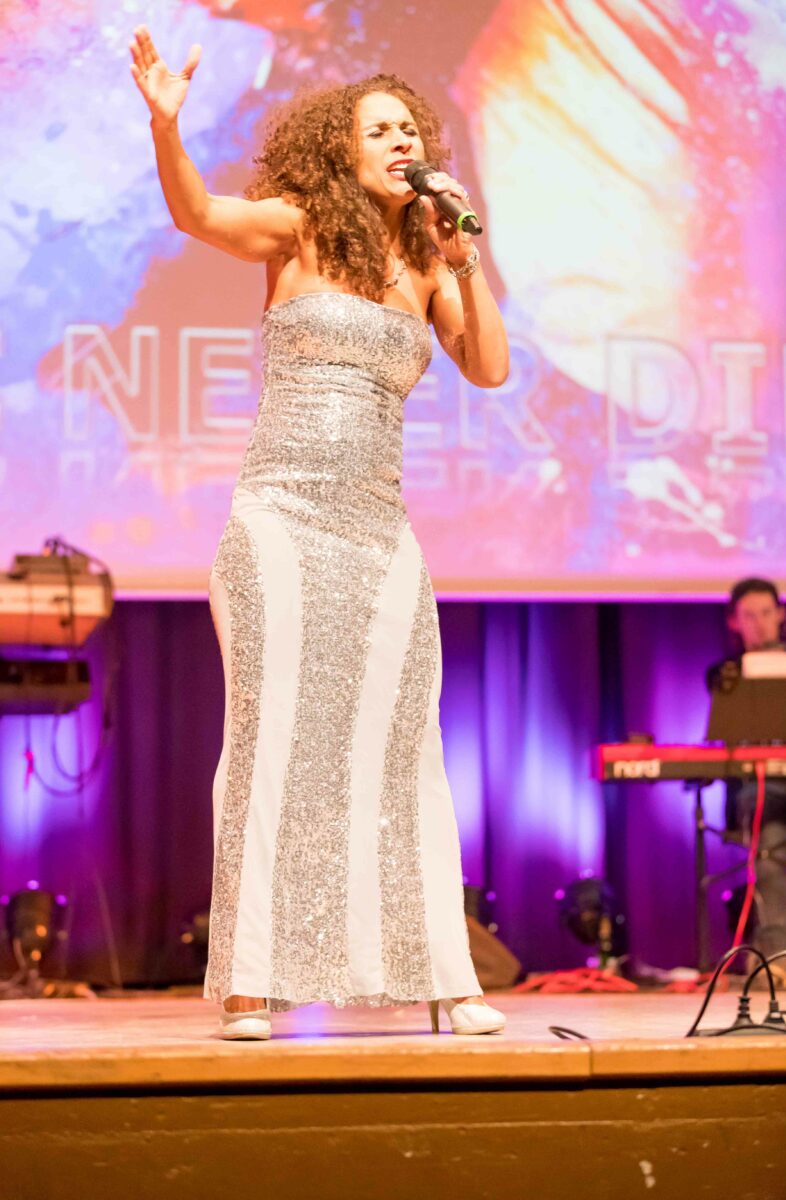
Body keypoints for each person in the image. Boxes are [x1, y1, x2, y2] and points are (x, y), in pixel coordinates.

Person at [129, 26, 509, 1038]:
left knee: (403, 743)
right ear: (340, 149)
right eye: (378, 129)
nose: (398, 140)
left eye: (408, 128)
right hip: (281, 519)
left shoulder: (426, 259)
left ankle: (448, 978)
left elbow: (487, 369)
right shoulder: (297, 227)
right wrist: (165, 126)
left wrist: (465, 263)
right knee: (275, 736)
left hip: (379, 533)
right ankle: (251, 982)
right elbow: (198, 213)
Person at [707, 577, 786, 987]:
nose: (760, 624)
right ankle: (776, 961)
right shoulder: (726, 675)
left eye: (766, 613)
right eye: (749, 615)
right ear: (734, 621)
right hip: (766, 790)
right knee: (769, 851)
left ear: (781, 615)